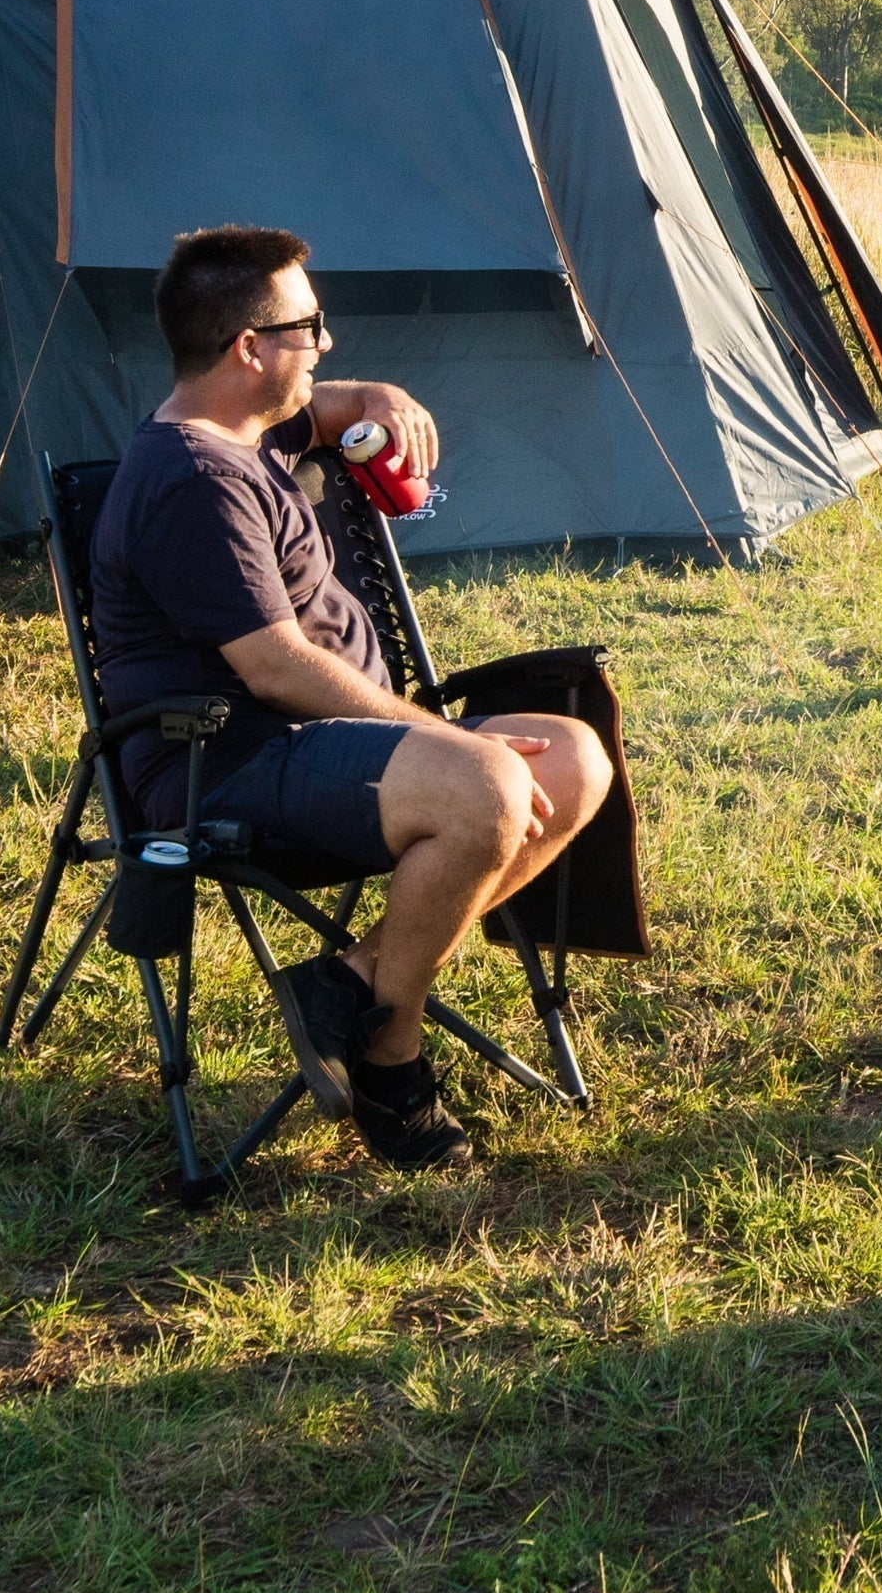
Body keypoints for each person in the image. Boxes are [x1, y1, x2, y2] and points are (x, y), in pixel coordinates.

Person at [89, 222, 617, 1168]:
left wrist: (376, 396)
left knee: (578, 755)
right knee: (488, 788)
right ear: (250, 348)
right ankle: (390, 1054)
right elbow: (276, 668)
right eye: (309, 326)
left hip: (324, 746)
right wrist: (450, 743)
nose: (325, 342)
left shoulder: (245, 424)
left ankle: (353, 982)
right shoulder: (193, 480)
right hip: (231, 759)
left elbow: (324, 408)